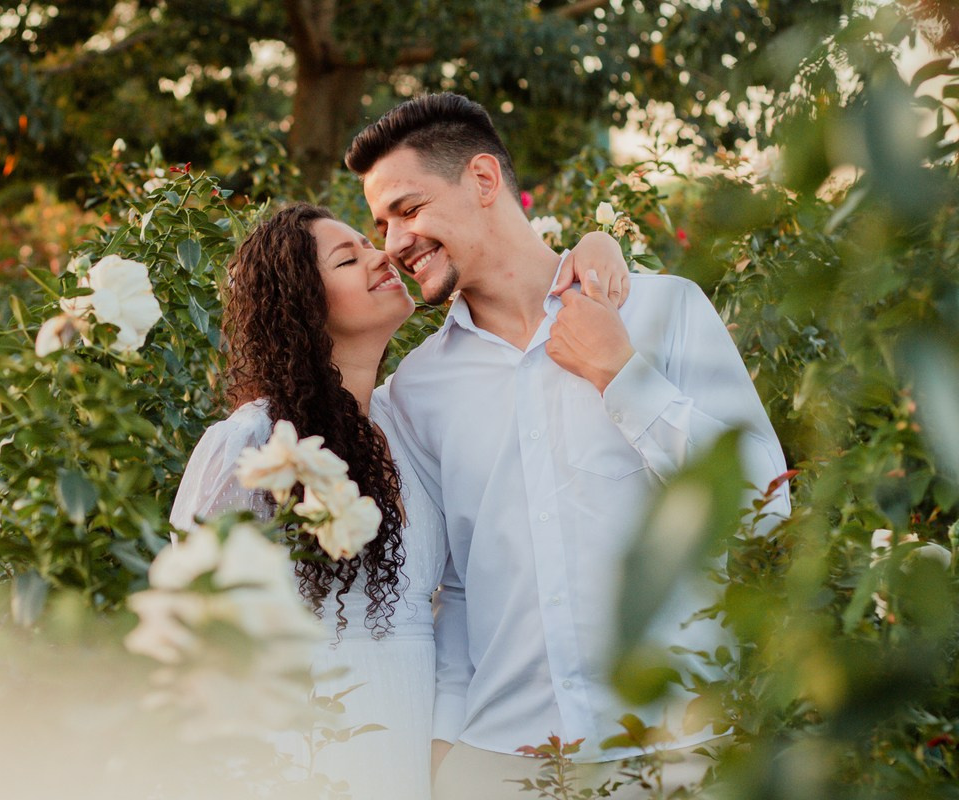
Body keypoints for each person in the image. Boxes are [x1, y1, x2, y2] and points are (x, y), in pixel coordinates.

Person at [344, 93, 791, 800]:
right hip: (499, 763)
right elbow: (452, 590)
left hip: (681, 751)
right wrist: (441, 761)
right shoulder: (416, 393)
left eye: (408, 209)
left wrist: (622, 376)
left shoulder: (663, 310)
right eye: (380, 224)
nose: (394, 242)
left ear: (485, 181)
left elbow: (765, 503)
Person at [169, 203, 630, 799]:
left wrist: (597, 243)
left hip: (413, 736)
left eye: (368, 242)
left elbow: (462, 589)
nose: (382, 255)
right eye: (348, 256)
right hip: (302, 738)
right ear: (305, 302)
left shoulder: (408, 422)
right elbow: (196, 622)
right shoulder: (256, 440)